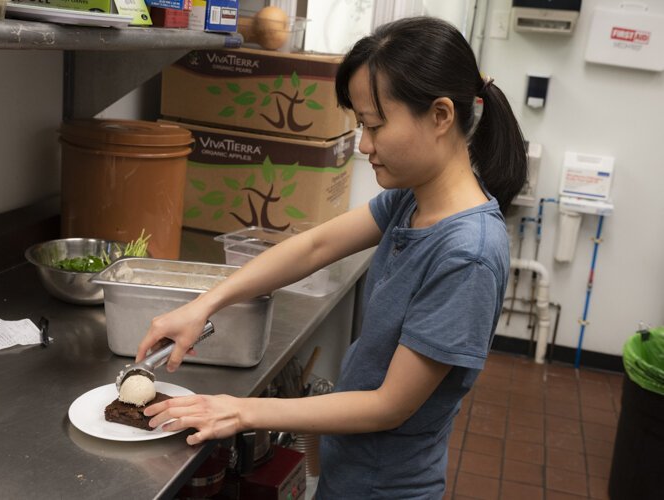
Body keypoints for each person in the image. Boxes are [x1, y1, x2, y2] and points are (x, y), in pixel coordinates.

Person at [137, 16, 527, 499]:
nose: (364, 145)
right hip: (351, 474)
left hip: (386, 490)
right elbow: (315, 246)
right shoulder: (413, 198)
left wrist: (241, 410)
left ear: (441, 116)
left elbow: (389, 406)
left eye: (375, 125)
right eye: (362, 124)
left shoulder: (467, 255)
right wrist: (203, 304)